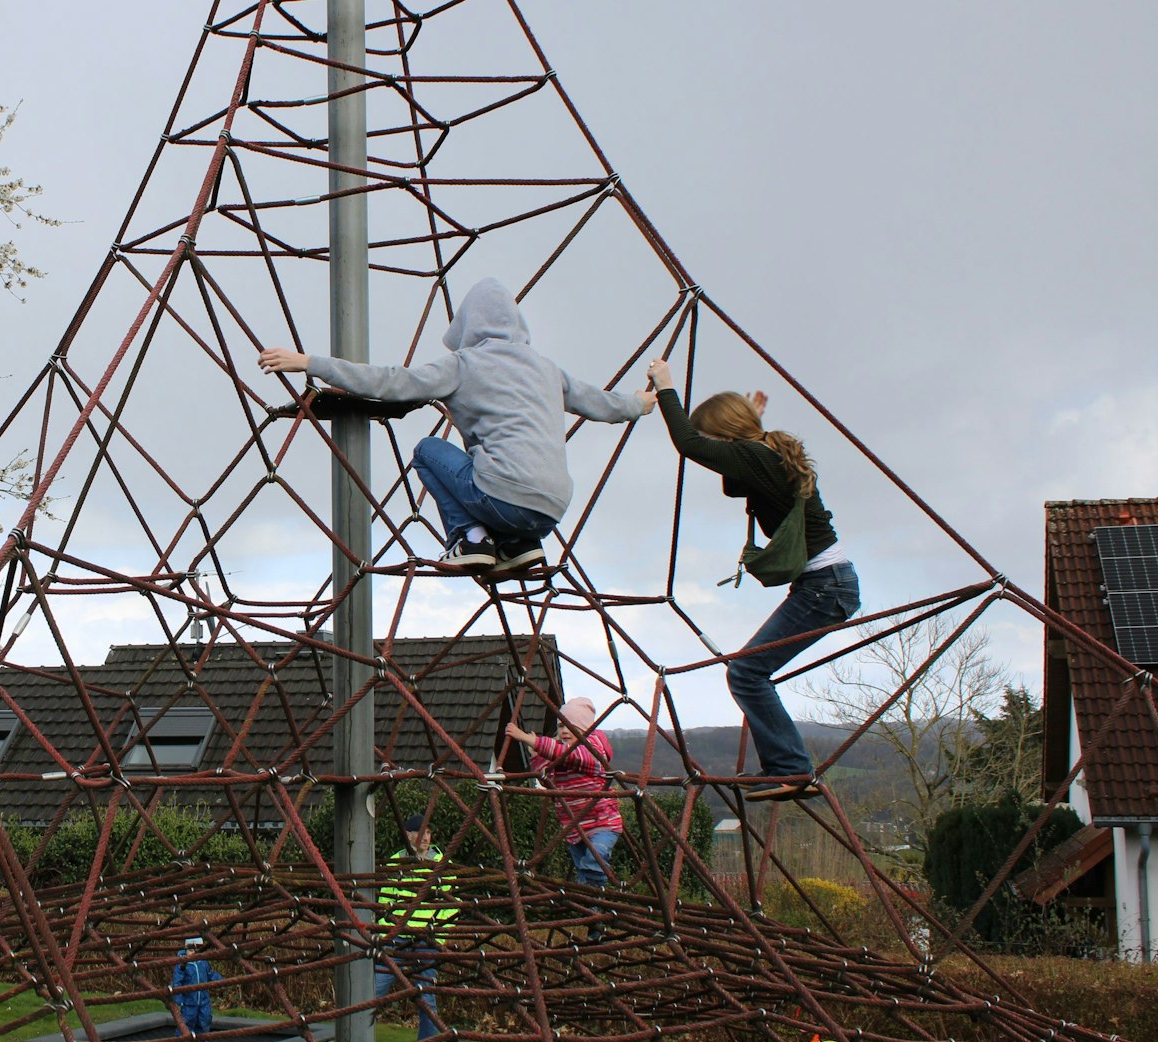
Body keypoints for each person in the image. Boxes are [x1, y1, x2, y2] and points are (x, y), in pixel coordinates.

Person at [258, 277, 656, 573]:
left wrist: (310, 362)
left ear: (467, 323)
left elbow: (390, 382)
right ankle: (518, 546)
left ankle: (470, 539)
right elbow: (601, 404)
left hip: (503, 497)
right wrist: (638, 403)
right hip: (552, 509)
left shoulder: (464, 365)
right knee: (503, 475)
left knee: (427, 452)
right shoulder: (547, 369)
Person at [647, 357, 860, 801]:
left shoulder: (754, 455)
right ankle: (787, 766)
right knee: (750, 671)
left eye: (715, 441)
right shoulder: (766, 452)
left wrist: (666, 386)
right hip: (828, 584)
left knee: (746, 673)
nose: (711, 449)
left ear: (724, 436)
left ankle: (792, 769)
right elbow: (733, 484)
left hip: (826, 587)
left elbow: (687, 443)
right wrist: (748, 426)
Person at [504, 697, 623, 939]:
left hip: (603, 823)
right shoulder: (562, 753)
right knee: (583, 875)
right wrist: (535, 754)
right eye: (560, 726)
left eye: (571, 726)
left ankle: (597, 908)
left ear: (585, 729)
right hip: (574, 828)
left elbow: (572, 756)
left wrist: (530, 739)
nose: (564, 731)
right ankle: (594, 921)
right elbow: (547, 778)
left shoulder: (592, 750)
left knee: (594, 863)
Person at [373, 813, 455, 1042]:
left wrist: (437, 940)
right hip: (396, 940)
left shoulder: (443, 865)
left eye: (429, 832)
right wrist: (387, 936)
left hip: (426, 943)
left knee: (426, 1003)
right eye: (420, 832)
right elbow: (386, 902)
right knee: (370, 994)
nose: (426, 837)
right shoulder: (397, 863)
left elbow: (449, 908)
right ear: (408, 836)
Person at [169, 936, 222, 1036]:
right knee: (187, 1021)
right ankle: (182, 1040)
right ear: (185, 950)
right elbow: (177, 982)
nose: (194, 953)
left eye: (196, 950)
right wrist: (178, 999)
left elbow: (209, 974)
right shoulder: (182, 965)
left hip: (203, 1000)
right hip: (189, 1001)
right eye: (190, 950)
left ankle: (202, 1038)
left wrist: (220, 980)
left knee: (205, 1019)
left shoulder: (203, 963)